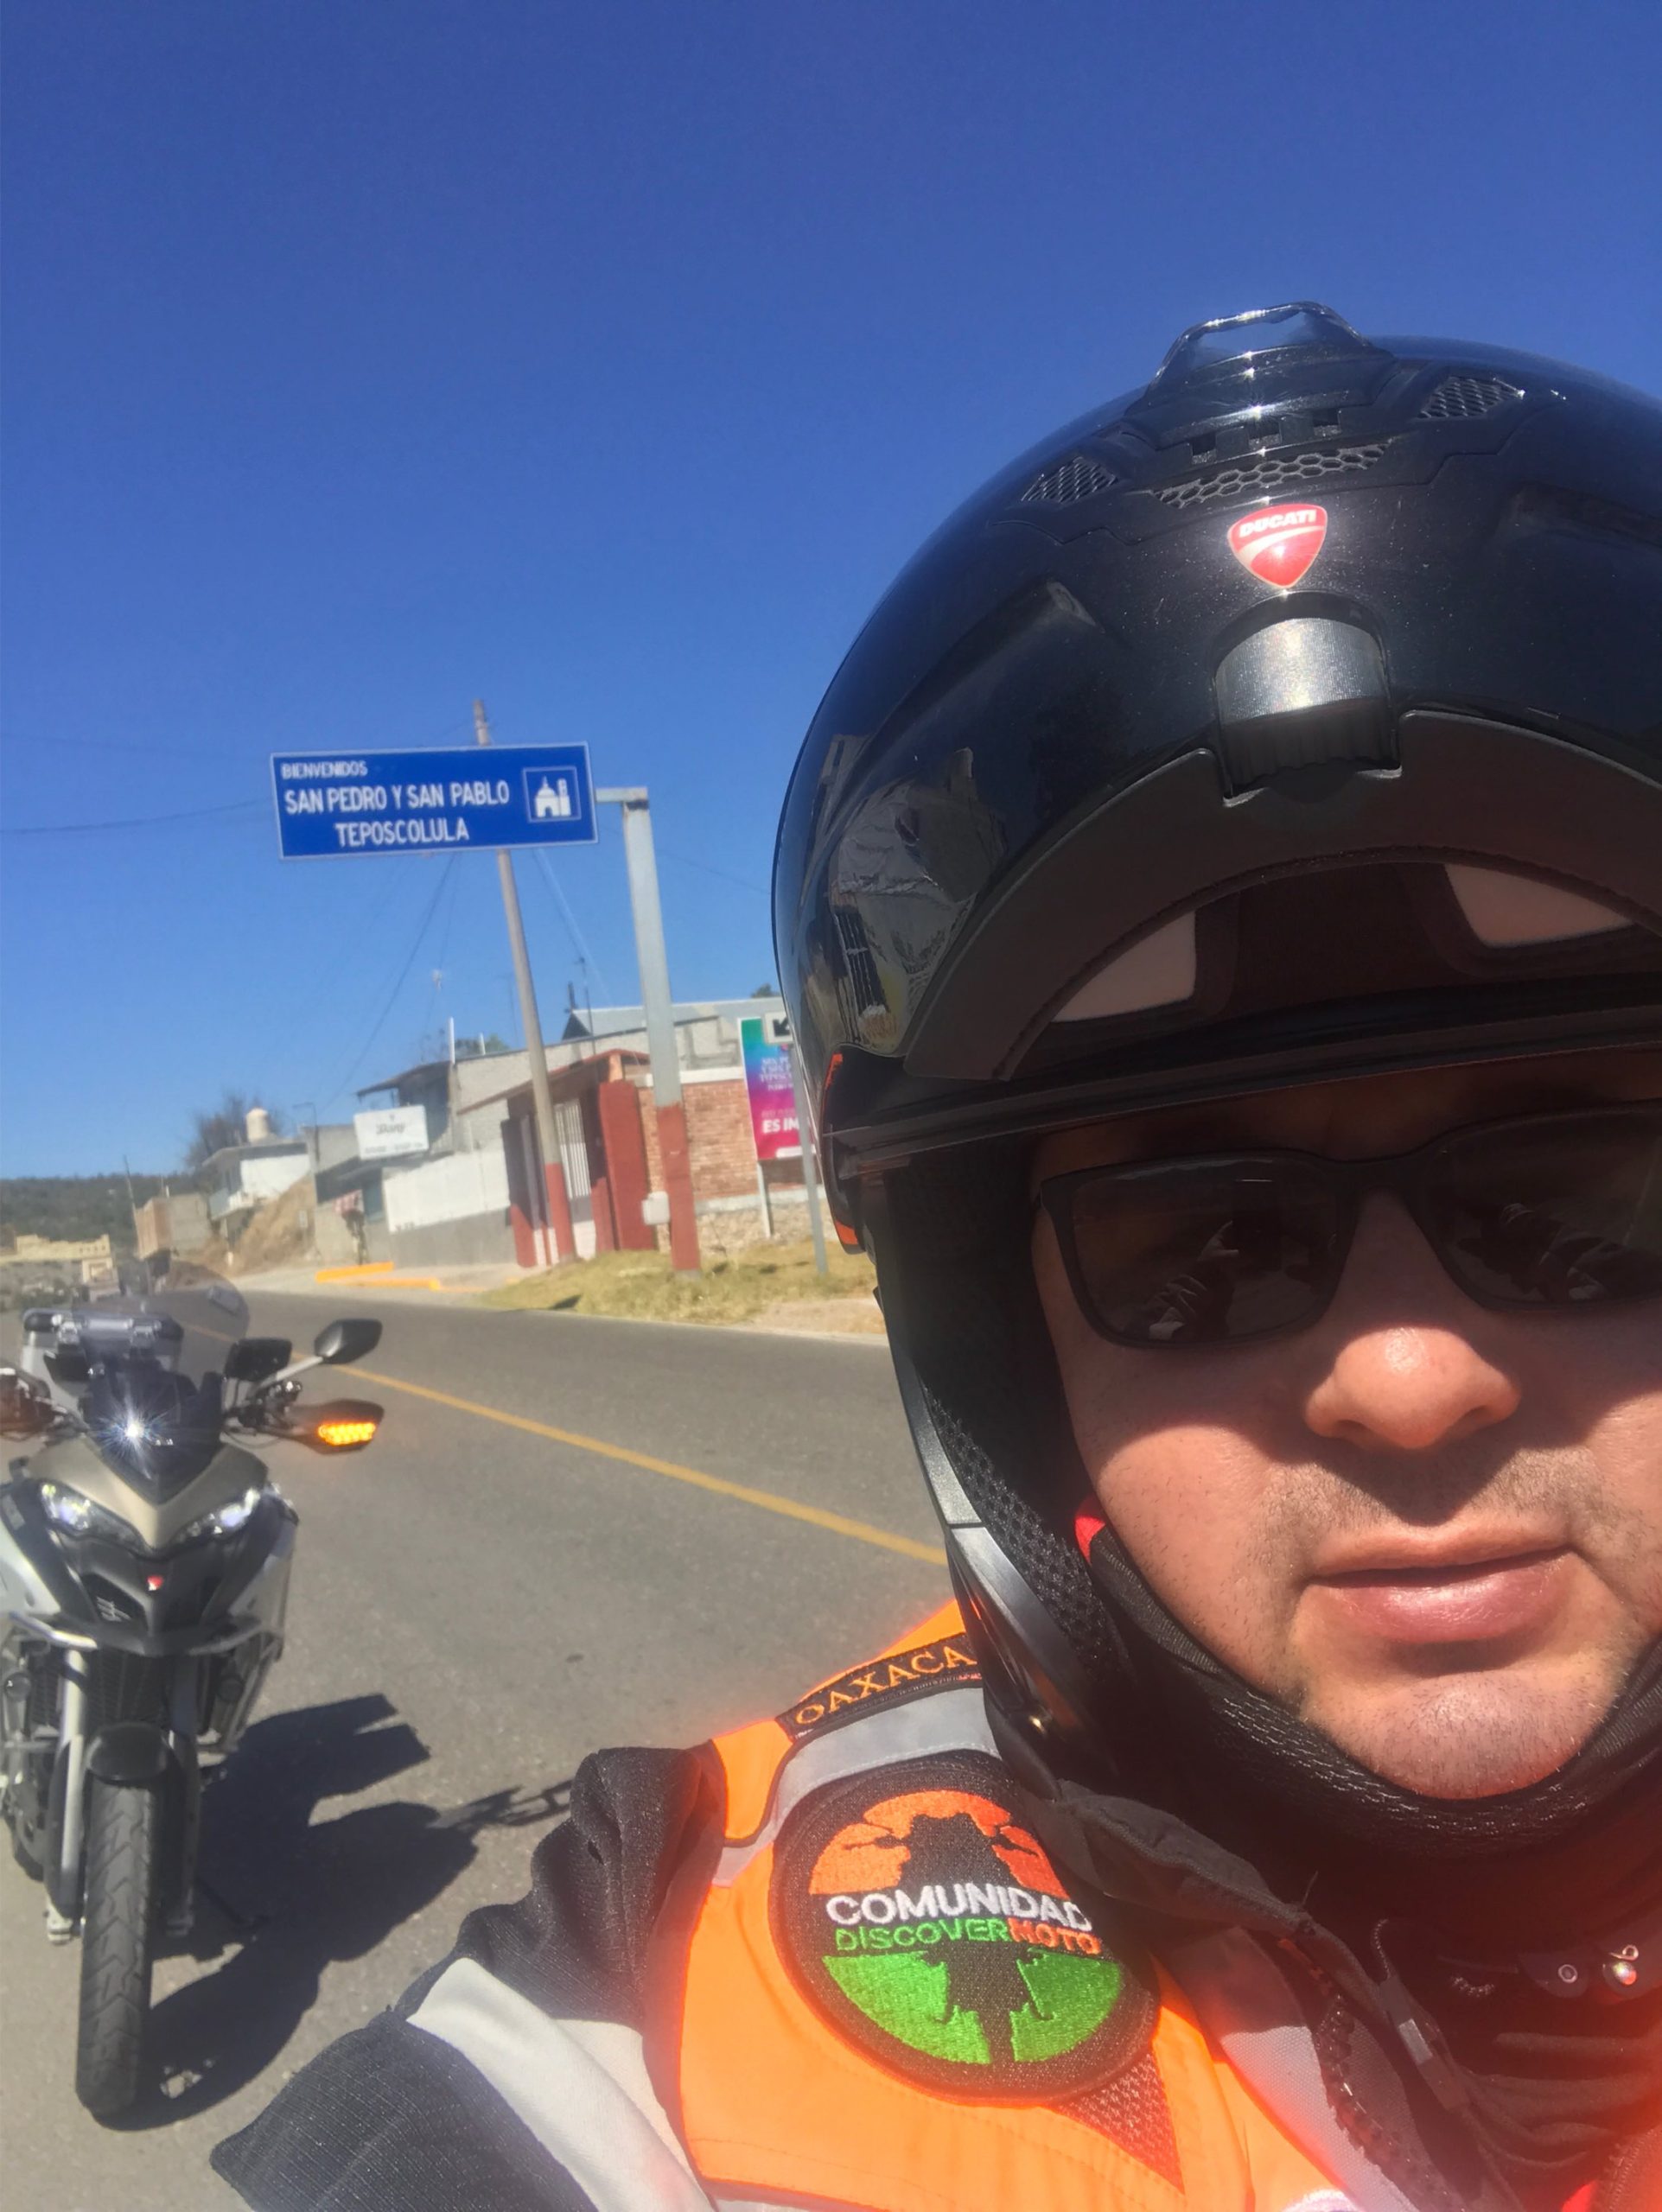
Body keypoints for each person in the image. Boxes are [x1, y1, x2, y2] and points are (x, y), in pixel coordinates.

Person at [213, 305, 1662, 2211]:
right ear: (1003, 1352)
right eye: (1207, 1245)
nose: (1407, 1378)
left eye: (1579, 1203)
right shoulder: (696, 1985)